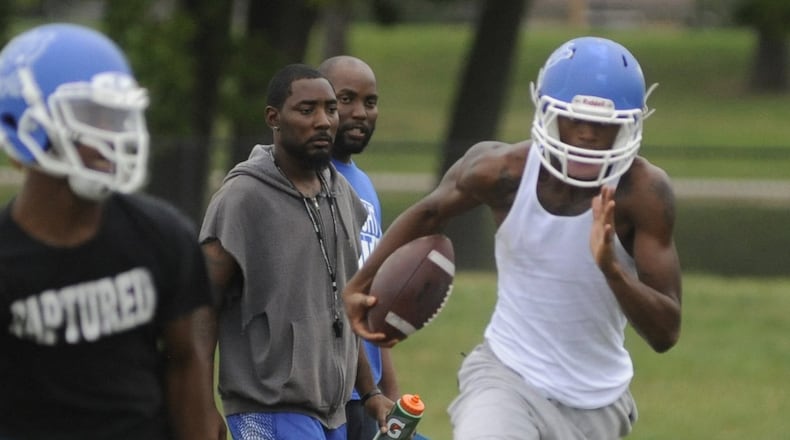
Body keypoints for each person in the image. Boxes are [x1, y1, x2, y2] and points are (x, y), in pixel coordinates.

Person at [343, 36, 683, 439]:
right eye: (576, 118)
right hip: (506, 377)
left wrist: (611, 268)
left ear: (629, 126)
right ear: (547, 112)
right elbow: (431, 212)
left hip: (598, 401)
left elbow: (665, 333)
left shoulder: (642, 193)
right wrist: (360, 284)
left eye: (603, 125)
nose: (589, 135)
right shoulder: (503, 171)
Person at [0, 23, 226, 440]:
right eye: (92, 116)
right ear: (27, 124)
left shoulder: (163, 235)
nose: (114, 134)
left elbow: (186, 363)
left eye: (118, 116)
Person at [199, 63, 392, 440]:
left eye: (330, 109)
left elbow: (345, 308)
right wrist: (201, 404)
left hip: (332, 412)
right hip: (267, 409)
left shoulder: (341, 194)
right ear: (274, 118)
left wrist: (371, 393)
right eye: (307, 110)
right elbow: (200, 308)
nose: (323, 121)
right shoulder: (243, 199)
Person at [319, 55, 430, 440]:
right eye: (346, 99)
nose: (360, 113)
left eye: (370, 102)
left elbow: (373, 304)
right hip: (325, 391)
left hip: (368, 397)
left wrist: (390, 395)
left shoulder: (365, 186)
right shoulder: (310, 179)